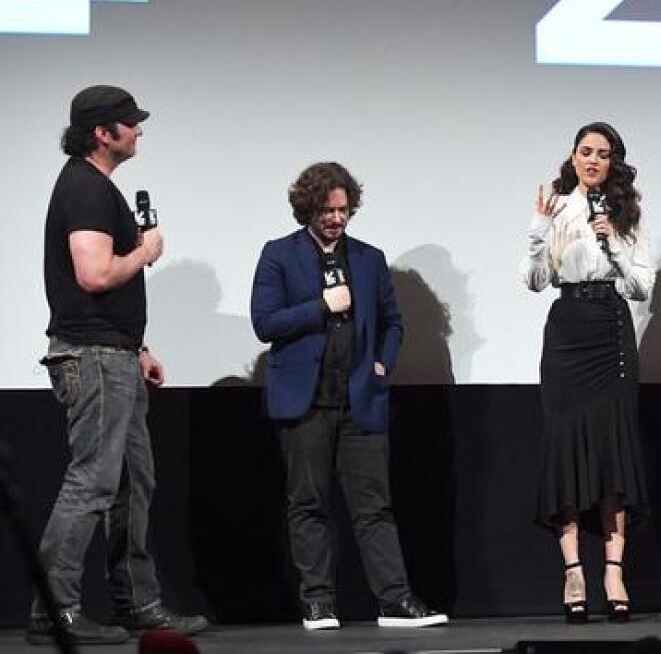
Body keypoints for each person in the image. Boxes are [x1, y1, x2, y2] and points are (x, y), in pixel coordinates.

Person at [31, 85, 208, 645]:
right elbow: (93, 275)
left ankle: (138, 602)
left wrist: (137, 349)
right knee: (91, 484)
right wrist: (145, 253)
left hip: (115, 354)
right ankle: (54, 611)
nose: (138, 131)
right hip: (94, 357)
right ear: (102, 133)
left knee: (134, 481)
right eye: (129, 124)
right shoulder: (85, 189)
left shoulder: (97, 188)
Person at [250, 162, 447, 630]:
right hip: (305, 402)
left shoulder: (368, 257)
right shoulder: (279, 255)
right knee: (309, 504)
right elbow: (265, 323)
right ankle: (318, 602)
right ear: (308, 208)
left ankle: (395, 601)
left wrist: (383, 362)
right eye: (327, 210)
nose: (336, 218)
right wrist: (321, 306)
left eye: (343, 209)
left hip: (361, 399)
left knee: (374, 507)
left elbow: (392, 321)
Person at [520, 122, 654, 623]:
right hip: (567, 330)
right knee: (566, 448)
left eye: (602, 153)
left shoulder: (627, 215)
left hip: (611, 331)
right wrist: (538, 230)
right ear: (573, 158)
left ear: (614, 162)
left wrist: (613, 243)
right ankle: (573, 569)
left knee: (612, 449)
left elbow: (641, 288)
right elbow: (535, 281)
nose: (592, 160)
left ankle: (613, 571)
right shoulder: (556, 207)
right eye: (585, 152)